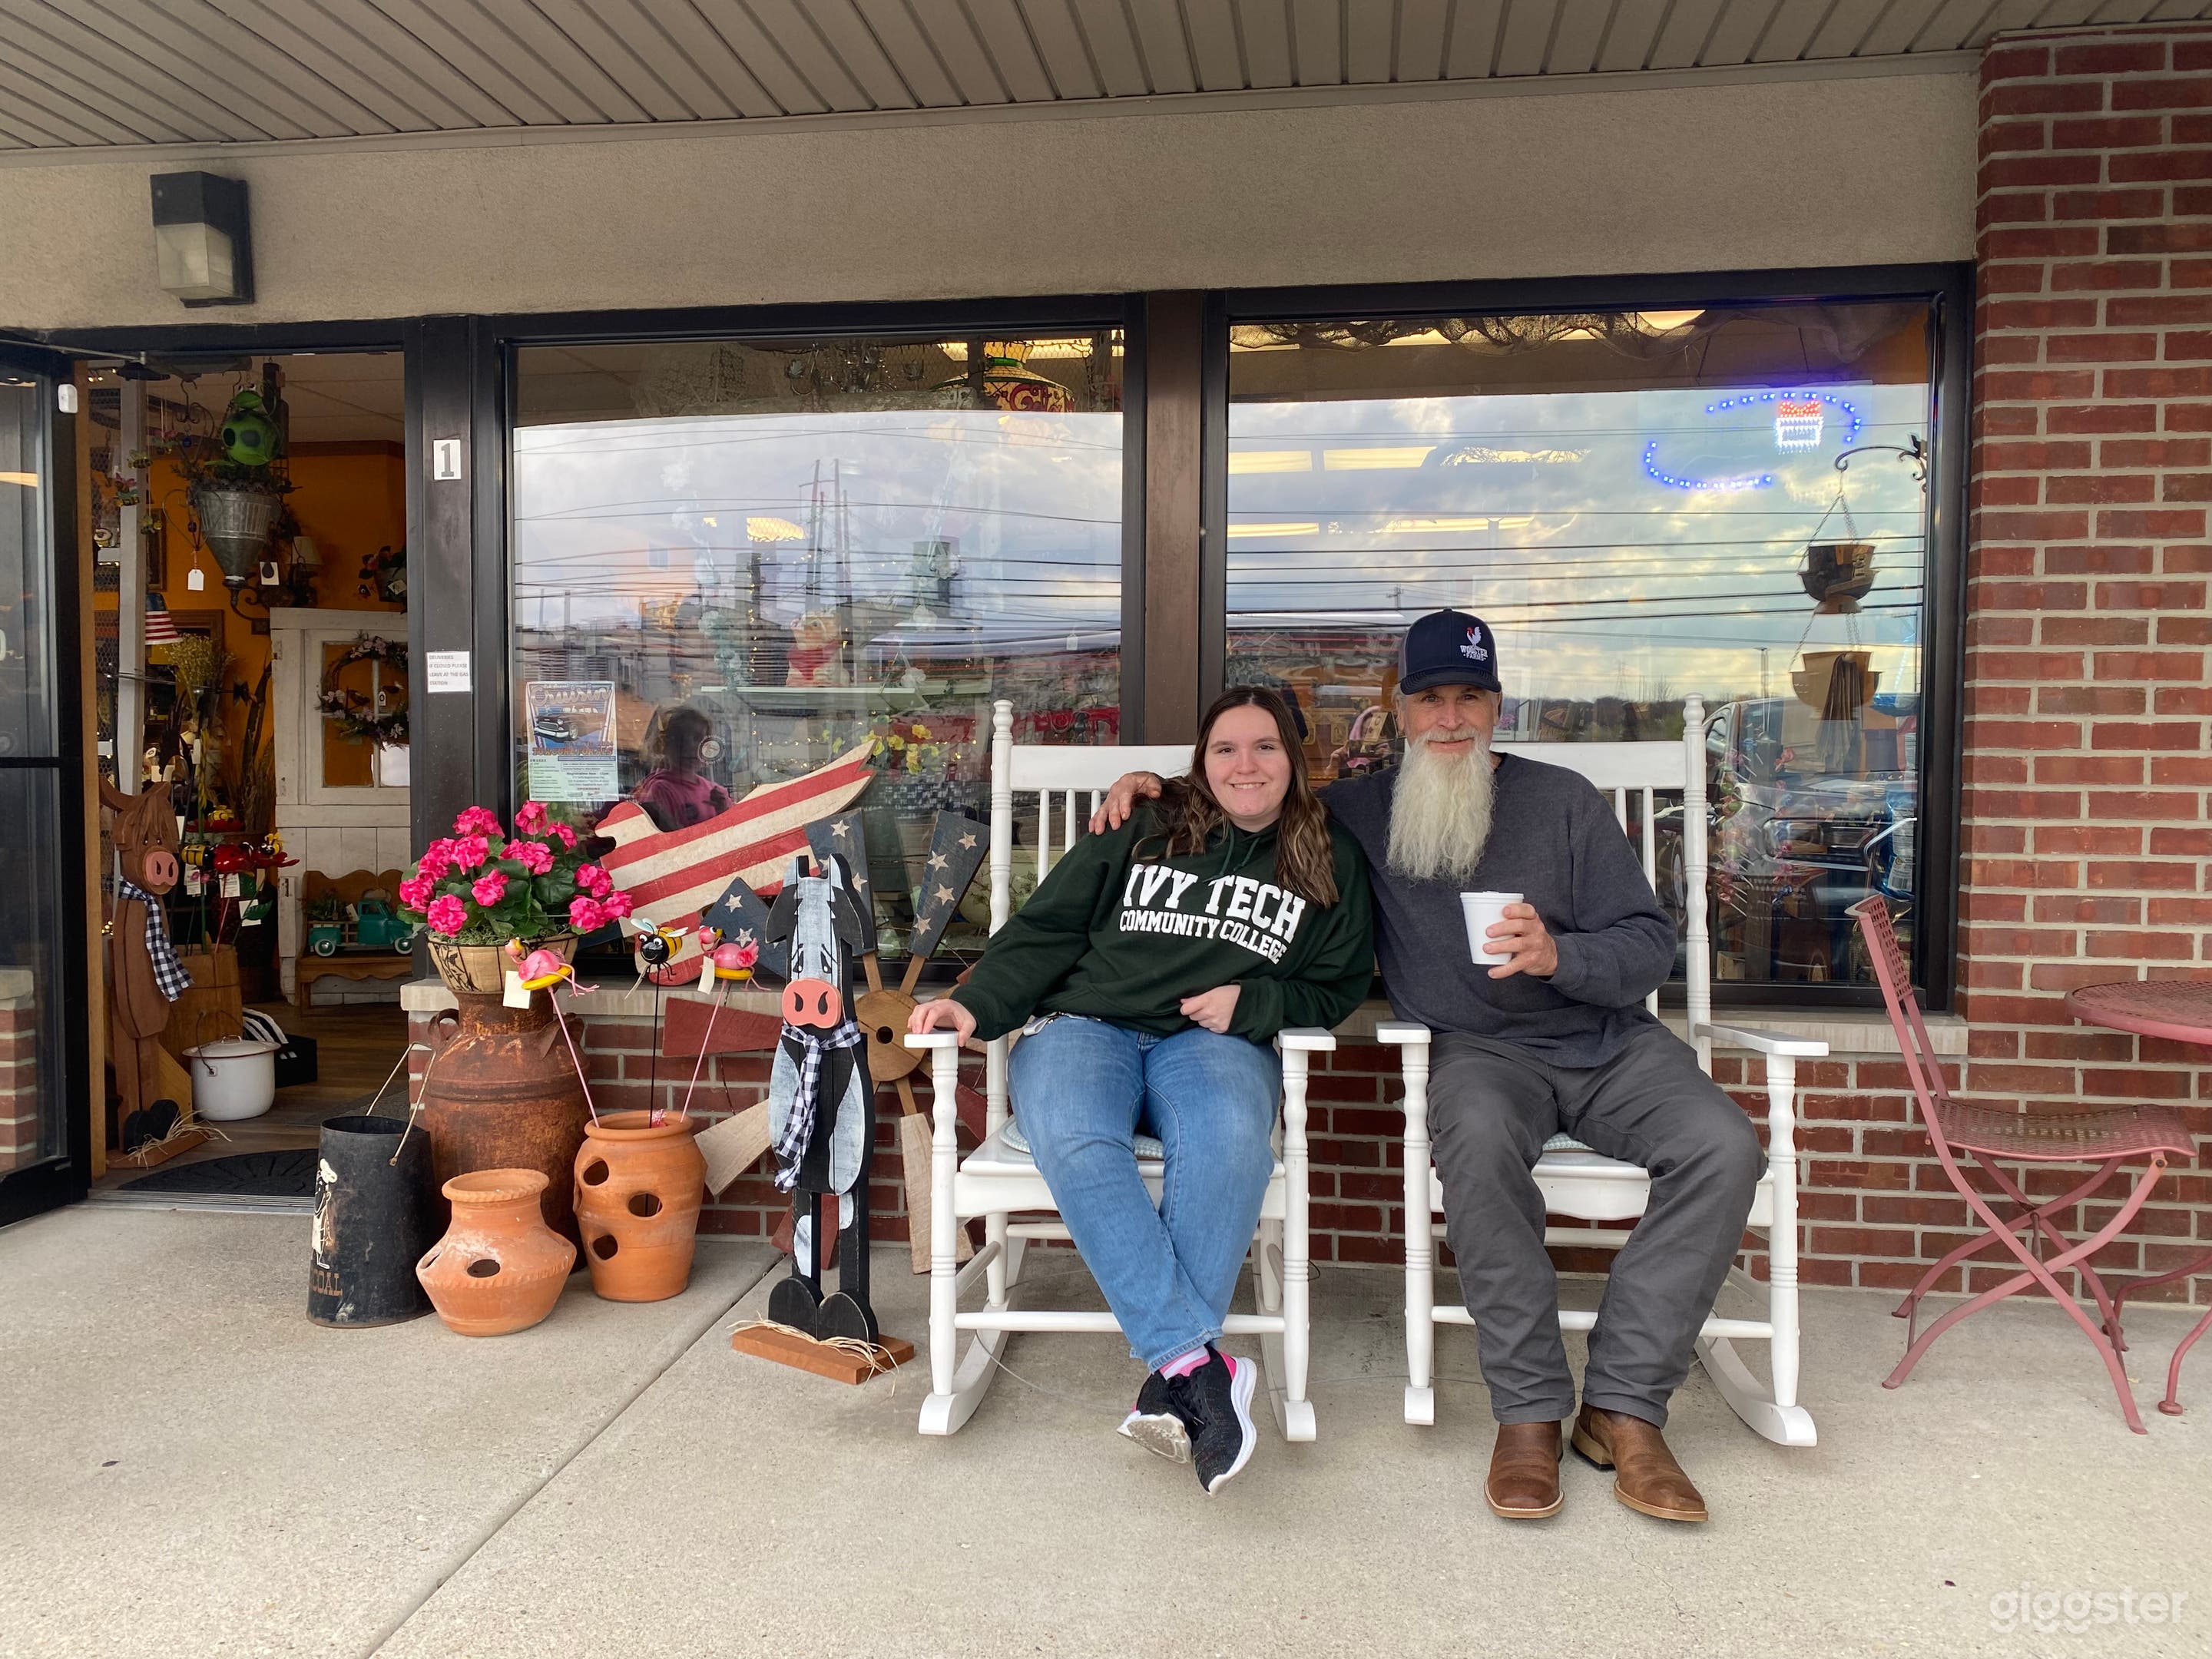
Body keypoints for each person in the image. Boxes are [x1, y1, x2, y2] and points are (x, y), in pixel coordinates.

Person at [1092, 611, 1761, 1525]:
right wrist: (1160, 788)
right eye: (1430, 698)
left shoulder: (1563, 800)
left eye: (1470, 698)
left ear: (1497, 707)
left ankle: (1625, 1406)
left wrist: (1560, 954)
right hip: (1477, 1052)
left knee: (1724, 1146)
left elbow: (1647, 945)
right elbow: (1251, 793)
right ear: (1399, 710)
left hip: (1607, 1040)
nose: (1450, 718)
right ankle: (1528, 1412)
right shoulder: (1359, 811)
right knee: (1478, 1151)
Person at [908, 687, 1373, 1495]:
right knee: (1075, 1134)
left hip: (1216, 1039)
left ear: (1294, 760)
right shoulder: (1145, 823)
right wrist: (974, 1004)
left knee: (1230, 1139)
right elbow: (1048, 931)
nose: (1245, 764)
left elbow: (1338, 985)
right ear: (1202, 760)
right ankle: (1195, 1363)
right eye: (1225, 748)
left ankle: (1174, 1379)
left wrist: (1258, 1003)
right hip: (1088, 1025)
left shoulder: (1330, 853)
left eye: (1265, 747)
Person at [633, 706, 730, 832]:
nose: (689, 747)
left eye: (698, 738)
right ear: (664, 745)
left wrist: (723, 810)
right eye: (679, 739)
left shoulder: (714, 791)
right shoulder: (661, 790)